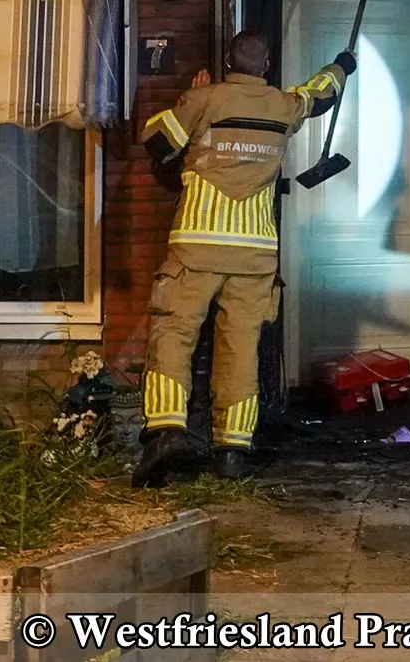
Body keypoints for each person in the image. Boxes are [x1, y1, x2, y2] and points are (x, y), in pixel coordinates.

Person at [131, 31, 353, 487]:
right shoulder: (283, 106)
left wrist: (189, 97)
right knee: (241, 348)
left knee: (174, 335)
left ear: (227, 61)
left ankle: (166, 432)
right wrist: (341, 65)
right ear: (266, 63)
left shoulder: (204, 99)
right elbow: (320, 93)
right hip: (254, 254)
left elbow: (154, 141)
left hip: (196, 248)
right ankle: (232, 451)